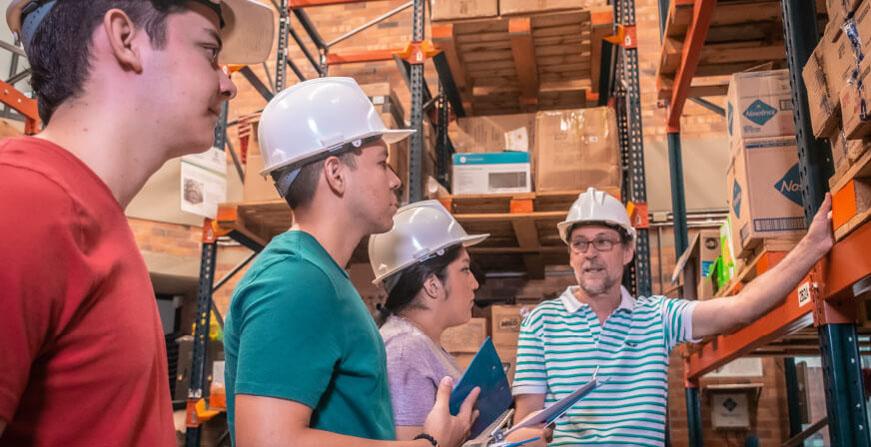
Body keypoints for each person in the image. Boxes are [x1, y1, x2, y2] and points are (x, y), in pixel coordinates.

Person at [0, 1, 273, 445]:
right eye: (209, 51)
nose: (228, 85)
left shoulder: (92, 215)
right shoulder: (21, 204)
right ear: (125, 39)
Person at [223, 77, 479, 447]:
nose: (395, 181)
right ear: (336, 173)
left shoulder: (322, 277)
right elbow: (266, 441)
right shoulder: (295, 280)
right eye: (381, 163)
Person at [512, 187, 834, 445]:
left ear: (627, 251)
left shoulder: (657, 317)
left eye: (602, 241)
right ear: (570, 255)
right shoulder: (541, 323)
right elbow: (524, 427)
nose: (590, 253)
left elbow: (741, 309)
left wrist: (812, 245)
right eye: (579, 243)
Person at [370, 200, 550, 446]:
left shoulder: (421, 346)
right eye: (465, 270)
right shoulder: (405, 352)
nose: (474, 283)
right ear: (432, 285)